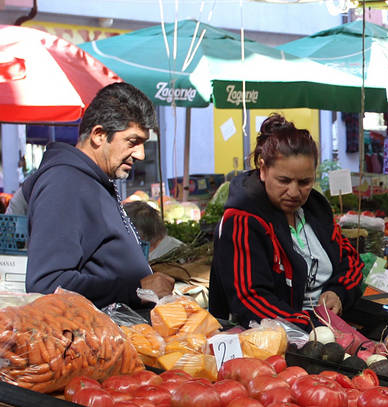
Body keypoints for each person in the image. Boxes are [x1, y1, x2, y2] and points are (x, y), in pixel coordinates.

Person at [24, 82, 174, 307]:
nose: (141, 154)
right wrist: (137, 290)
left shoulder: (93, 180)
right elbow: (47, 284)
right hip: (94, 338)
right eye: (133, 142)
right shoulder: (64, 184)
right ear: (99, 135)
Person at [209, 114, 365, 328]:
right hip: (272, 344)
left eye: (304, 182)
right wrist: (311, 324)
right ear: (263, 170)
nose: (294, 192)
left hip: (331, 332)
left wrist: (338, 293)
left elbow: (352, 262)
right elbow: (250, 299)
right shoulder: (242, 221)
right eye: (284, 180)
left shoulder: (316, 211)